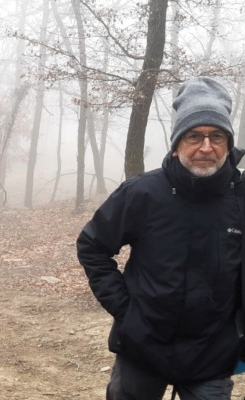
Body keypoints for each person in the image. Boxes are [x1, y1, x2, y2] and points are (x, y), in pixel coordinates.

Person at [76, 77, 244, 400]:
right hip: (143, 348)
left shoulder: (240, 199)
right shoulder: (142, 193)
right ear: (176, 143)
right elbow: (92, 245)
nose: (206, 147)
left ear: (228, 143)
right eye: (194, 136)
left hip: (212, 355)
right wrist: (126, 312)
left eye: (216, 136)